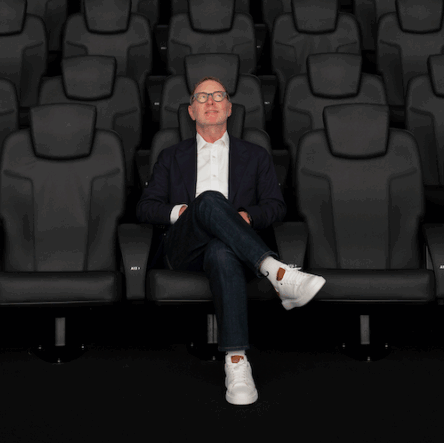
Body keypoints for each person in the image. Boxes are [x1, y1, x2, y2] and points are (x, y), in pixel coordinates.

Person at [137, 75, 326, 406]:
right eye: (202, 97)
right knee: (208, 200)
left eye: (218, 96)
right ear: (191, 112)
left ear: (229, 108)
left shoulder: (255, 155)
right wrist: (183, 211)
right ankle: (278, 273)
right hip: (182, 248)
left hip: (234, 249)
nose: (210, 101)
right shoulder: (170, 156)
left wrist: (247, 218)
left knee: (222, 248)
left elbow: (275, 206)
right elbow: (145, 207)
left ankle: (236, 363)